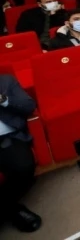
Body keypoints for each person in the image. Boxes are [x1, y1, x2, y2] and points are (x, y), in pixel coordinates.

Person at [0, 74, 42, 233]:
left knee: (24, 167)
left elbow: (29, 105)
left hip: (8, 138)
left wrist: (3, 100)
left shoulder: (6, 81)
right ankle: (13, 209)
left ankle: (7, 207)